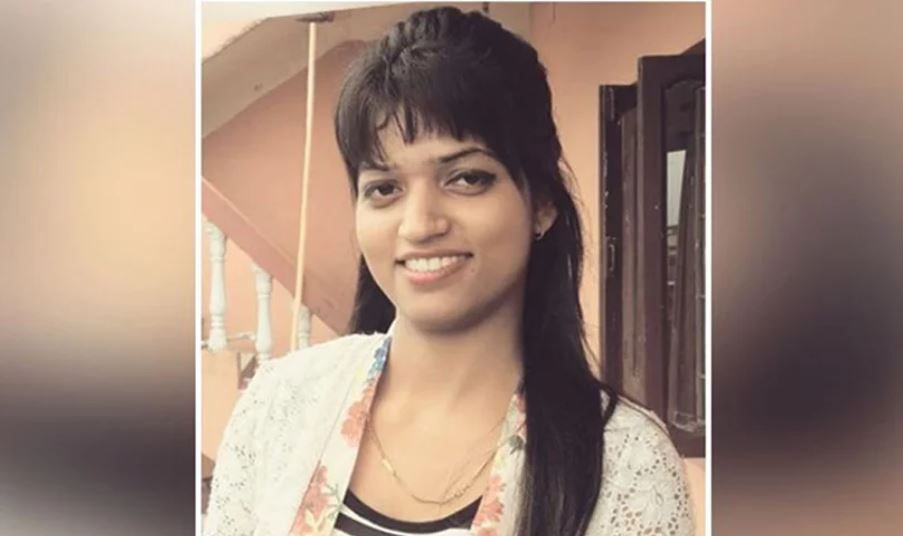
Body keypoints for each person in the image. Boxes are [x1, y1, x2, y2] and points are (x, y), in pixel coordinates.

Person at [204, 7, 694, 536]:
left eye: (466, 178)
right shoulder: (278, 409)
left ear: (542, 203)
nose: (419, 225)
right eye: (384, 188)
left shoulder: (625, 466)